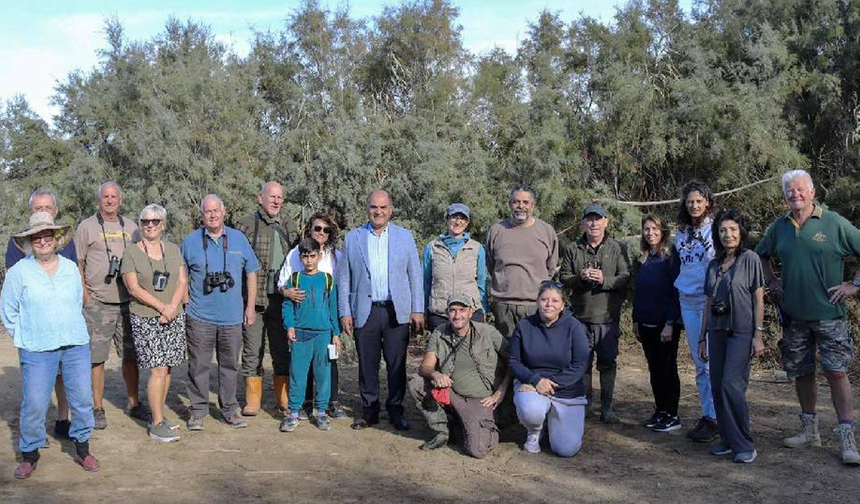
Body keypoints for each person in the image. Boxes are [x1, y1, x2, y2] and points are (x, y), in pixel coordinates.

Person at [756, 170, 860, 465]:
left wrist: (854, 285)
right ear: (785, 196)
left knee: (837, 373)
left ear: (813, 192)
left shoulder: (834, 223)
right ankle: (810, 429)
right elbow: (761, 254)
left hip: (830, 316)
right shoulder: (779, 228)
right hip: (794, 317)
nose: (795, 194)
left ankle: (846, 437)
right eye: (790, 191)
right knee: (801, 372)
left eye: (801, 189)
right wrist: (772, 280)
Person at [2, 212, 99, 479]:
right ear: (30, 241)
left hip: (75, 344)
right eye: (37, 236)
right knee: (34, 402)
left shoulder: (69, 268)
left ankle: (82, 449)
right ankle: (29, 455)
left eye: (47, 235)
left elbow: (79, 300)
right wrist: (23, 337)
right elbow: (8, 311)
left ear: (56, 239)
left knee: (81, 399)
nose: (43, 240)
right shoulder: (19, 272)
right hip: (36, 348)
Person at [338, 189, 424, 431]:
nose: (378, 211)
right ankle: (370, 411)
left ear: (391, 210)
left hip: (397, 310)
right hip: (365, 309)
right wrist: (345, 311)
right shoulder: (353, 238)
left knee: (396, 364)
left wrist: (418, 309)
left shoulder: (404, 237)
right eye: (374, 207)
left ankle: (396, 411)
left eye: (383, 207)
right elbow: (344, 278)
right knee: (367, 364)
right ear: (368, 209)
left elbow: (415, 275)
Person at [181, 194, 261, 430]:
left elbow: (252, 273)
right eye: (208, 211)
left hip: (232, 317)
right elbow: (181, 276)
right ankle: (197, 411)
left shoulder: (238, 239)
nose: (213, 215)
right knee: (198, 365)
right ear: (202, 215)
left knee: (229, 366)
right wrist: (186, 303)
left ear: (224, 212)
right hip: (199, 317)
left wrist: (250, 307)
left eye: (216, 211)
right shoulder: (191, 241)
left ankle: (229, 409)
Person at [5, 188, 77, 439]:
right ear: (30, 212)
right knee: (35, 384)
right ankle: (34, 435)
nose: (43, 211)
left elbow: (74, 280)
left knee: (63, 377)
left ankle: (63, 419)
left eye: (47, 208)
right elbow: (14, 286)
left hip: (63, 327)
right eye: (38, 208)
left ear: (55, 211)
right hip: (34, 330)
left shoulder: (67, 244)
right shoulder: (18, 245)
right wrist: (21, 332)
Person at [75, 181, 146, 430]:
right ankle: (96, 407)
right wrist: (85, 294)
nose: (109, 200)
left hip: (128, 303)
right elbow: (78, 263)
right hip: (98, 303)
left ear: (121, 200)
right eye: (105, 196)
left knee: (131, 355)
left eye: (114, 196)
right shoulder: (86, 227)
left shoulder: (133, 227)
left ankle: (134, 403)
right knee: (96, 359)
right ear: (99, 200)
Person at [409, 293, 512, 458]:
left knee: (477, 450)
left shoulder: (488, 332)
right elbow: (425, 367)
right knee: (417, 382)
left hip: (480, 400)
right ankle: (442, 431)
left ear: (471, 312)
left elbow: (513, 362)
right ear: (447, 313)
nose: (457, 315)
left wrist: (501, 391)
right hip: (451, 394)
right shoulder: (440, 332)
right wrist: (435, 374)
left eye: (462, 310)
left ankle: (462, 426)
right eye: (453, 310)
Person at [699, 210, 765, 463]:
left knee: (731, 384)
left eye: (733, 229)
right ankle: (727, 439)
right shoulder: (714, 264)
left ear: (741, 231)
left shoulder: (750, 258)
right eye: (723, 230)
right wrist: (702, 337)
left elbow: (758, 299)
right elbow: (707, 302)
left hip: (741, 331)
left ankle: (744, 443)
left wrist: (758, 335)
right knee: (717, 386)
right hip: (716, 332)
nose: (728, 235)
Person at [121, 204, 188, 442]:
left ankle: (159, 416)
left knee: (167, 368)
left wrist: (171, 308)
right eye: (145, 221)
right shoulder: (131, 253)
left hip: (172, 315)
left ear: (163, 224)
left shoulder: (173, 249)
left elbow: (181, 281)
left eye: (155, 221)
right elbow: (133, 287)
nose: (150, 225)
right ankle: (156, 422)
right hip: (146, 318)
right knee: (157, 368)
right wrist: (162, 308)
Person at [558, 203, 630, 423]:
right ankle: (586, 405)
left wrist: (604, 280)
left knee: (608, 363)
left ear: (606, 222)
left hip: (607, 319)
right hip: (580, 318)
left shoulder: (618, 248)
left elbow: (625, 278)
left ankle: (607, 408)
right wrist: (580, 276)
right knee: (583, 364)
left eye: (598, 219)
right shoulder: (573, 248)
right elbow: (563, 278)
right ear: (583, 223)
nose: (593, 223)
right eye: (589, 219)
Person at [234, 181, 296, 417]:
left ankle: (284, 398)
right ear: (260, 198)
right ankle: (252, 400)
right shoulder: (246, 224)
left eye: (280, 197)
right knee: (252, 350)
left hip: (282, 300)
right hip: (254, 299)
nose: (276, 201)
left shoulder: (289, 224)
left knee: (281, 350)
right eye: (272, 196)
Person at [278, 210, 346, 419]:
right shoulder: (296, 253)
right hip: (302, 320)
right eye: (317, 228)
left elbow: (339, 289)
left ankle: (329, 404)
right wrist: (286, 292)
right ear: (310, 228)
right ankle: (305, 404)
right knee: (302, 365)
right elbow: (283, 282)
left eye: (326, 229)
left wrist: (337, 328)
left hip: (325, 322)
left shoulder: (337, 256)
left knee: (327, 362)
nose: (321, 232)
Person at [508, 281, 590, 457]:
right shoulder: (524, 326)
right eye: (544, 299)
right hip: (533, 384)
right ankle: (535, 431)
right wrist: (535, 381)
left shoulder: (575, 327)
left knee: (566, 450)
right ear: (537, 301)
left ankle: (554, 424)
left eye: (555, 300)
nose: (549, 304)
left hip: (567, 389)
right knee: (531, 410)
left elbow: (580, 364)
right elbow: (514, 361)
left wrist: (551, 384)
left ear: (562, 305)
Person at [673, 180, 719, 443]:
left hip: (708, 300)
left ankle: (717, 417)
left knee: (712, 362)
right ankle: (707, 415)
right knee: (700, 363)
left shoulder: (715, 227)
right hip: (686, 299)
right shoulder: (681, 231)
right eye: (690, 201)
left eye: (699, 201)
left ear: (707, 202)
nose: (694, 205)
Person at [486, 184, 559, 340]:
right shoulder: (496, 230)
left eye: (526, 202)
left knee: (535, 352)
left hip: (535, 305)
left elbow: (551, 268)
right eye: (516, 202)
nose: (521, 206)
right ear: (510, 204)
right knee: (506, 354)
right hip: (503, 306)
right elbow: (491, 265)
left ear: (533, 205)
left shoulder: (546, 231)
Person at [632, 214, 682, 433]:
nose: (650, 233)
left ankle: (672, 414)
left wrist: (670, 322)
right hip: (645, 323)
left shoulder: (670, 258)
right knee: (654, 370)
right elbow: (638, 292)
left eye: (654, 229)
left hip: (665, 325)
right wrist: (635, 319)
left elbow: (675, 291)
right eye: (646, 229)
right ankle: (660, 410)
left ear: (663, 232)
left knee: (668, 369)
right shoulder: (644, 259)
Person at [422, 203, 488, 332]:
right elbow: (425, 282)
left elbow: (481, 282)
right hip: (440, 314)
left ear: (467, 222)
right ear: (447, 219)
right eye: (454, 217)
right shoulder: (432, 247)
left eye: (463, 218)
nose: (458, 222)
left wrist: (483, 309)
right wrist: (422, 310)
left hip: (471, 313)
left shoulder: (477, 248)